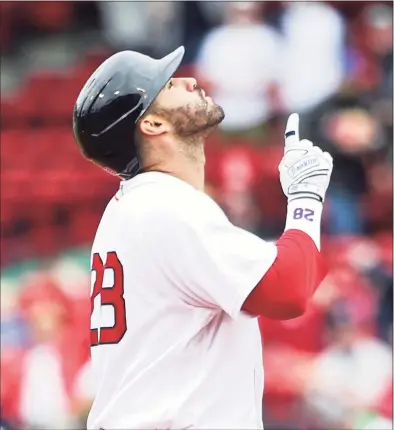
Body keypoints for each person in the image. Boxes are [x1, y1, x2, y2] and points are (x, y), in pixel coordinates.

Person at [72, 46, 333, 429]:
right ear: (153, 124)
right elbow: (286, 288)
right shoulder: (164, 205)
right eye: (169, 84)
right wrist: (305, 200)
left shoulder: (139, 208)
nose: (190, 80)